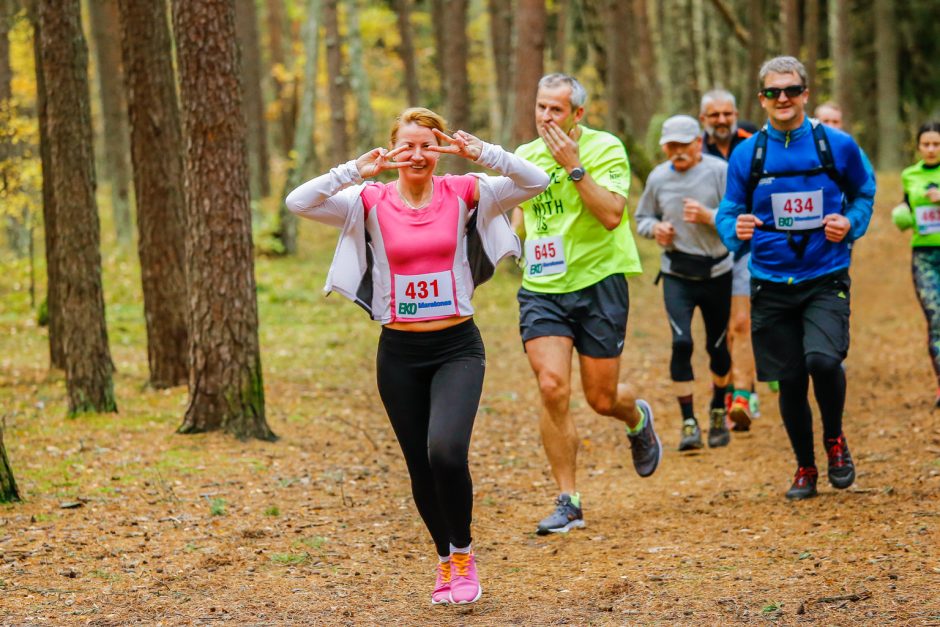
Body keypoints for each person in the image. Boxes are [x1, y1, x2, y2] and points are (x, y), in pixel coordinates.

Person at [285, 107, 549, 604]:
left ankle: (465, 555)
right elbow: (298, 201)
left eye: (428, 145)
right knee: (419, 467)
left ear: (441, 148)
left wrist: (484, 154)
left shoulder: (467, 190)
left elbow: (536, 181)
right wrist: (352, 171)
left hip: (456, 347)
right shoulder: (367, 199)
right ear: (391, 150)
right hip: (399, 352)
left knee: (445, 451)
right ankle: (445, 560)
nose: (418, 155)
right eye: (407, 145)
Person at [716, 56, 875, 500]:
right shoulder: (749, 154)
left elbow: (864, 191)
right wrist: (736, 230)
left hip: (826, 274)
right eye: (772, 92)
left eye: (790, 90)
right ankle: (805, 466)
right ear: (761, 98)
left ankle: (835, 440)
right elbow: (729, 210)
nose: (782, 99)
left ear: (805, 94)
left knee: (823, 361)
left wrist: (850, 222)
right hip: (769, 279)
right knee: (788, 379)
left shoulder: (836, 146)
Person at [512, 73, 661, 535]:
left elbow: (613, 214)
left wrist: (574, 167)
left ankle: (636, 416)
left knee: (600, 398)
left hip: (599, 283)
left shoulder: (606, 149)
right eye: (540, 108)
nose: (545, 118)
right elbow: (517, 221)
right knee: (553, 385)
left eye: (556, 110)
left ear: (578, 114)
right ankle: (568, 500)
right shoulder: (524, 157)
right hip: (543, 286)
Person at [636, 115, 733, 451]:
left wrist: (709, 216)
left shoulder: (719, 171)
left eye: (683, 145)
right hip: (677, 274)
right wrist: (655, 230)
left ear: (698, 143)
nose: (677, 152)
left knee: (718, 348)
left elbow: (738, 218)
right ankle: (689, 422)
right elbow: (642, 218)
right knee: (681, 344)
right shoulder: (658, 178)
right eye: (670, 146)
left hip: (718, 272)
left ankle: (719, 408)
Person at [700, 89, 759, 429]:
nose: (722, 120)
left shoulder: (753, 140)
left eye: (727, 113)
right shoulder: (693, 148)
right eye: (714, 115)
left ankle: (743, 397)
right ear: (703, 120)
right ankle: (724, 387)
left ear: (736, 114)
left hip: (745, 246)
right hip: (706, 252)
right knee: (720, 331)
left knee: (741, 323)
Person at [891, 121, 940, 406]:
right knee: (936, 320)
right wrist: (902, 213)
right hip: (924, 257)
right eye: (926, 144)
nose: (931, 149)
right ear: (919, 147)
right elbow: (907, 205)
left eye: (936, 144)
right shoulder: (910, 175)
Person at [815, 102, 876, 182]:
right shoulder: (805, 148)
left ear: (841, 124)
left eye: (835, 122)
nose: (831, 126)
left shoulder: (852, 149)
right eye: (826, 121)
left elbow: (868, 183)